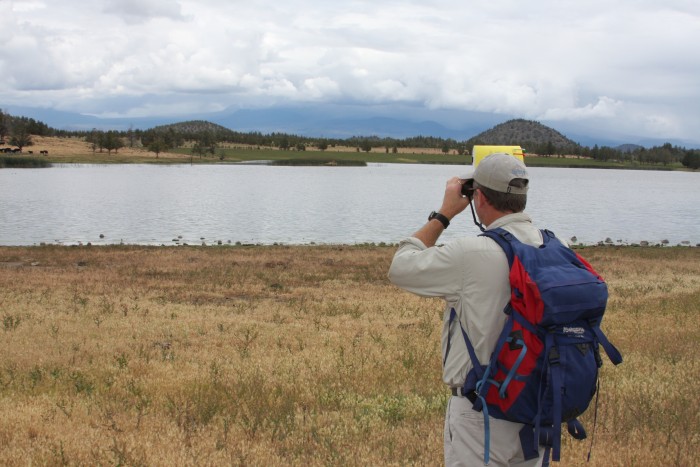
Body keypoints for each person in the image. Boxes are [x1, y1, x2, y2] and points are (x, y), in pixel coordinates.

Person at [388, 153, 547, 467]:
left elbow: (401, 267)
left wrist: (444, 213)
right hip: (537, 404)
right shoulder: (553, 246)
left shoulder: (471, 253)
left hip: (481, 411)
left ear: (479, 197)